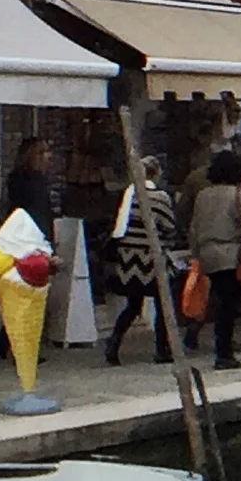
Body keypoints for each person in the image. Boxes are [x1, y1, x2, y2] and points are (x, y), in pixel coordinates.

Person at [186, 150, 241, 371]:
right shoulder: (236, 194)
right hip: (229, 252)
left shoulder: (203, 195)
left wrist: (196, 253)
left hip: (206, 252)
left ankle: (200, 335)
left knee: (216, 298)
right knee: (228, 304)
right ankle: (224, 352)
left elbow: (194, 227)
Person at [105, 156, 181, 366]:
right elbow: (169, 226)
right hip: (151, 258)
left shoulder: (129, 195)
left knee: (133, 305)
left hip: (129, 259)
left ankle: (113, 345)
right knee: (163, 302)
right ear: (156, 173)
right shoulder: (160, 197)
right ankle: (161, 349)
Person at [0, 138, 53, 362]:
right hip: (29, 242)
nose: (48, 157)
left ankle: (4, 342)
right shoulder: (30, 182)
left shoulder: (28, 180)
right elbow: (35, 214)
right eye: (43, 152)